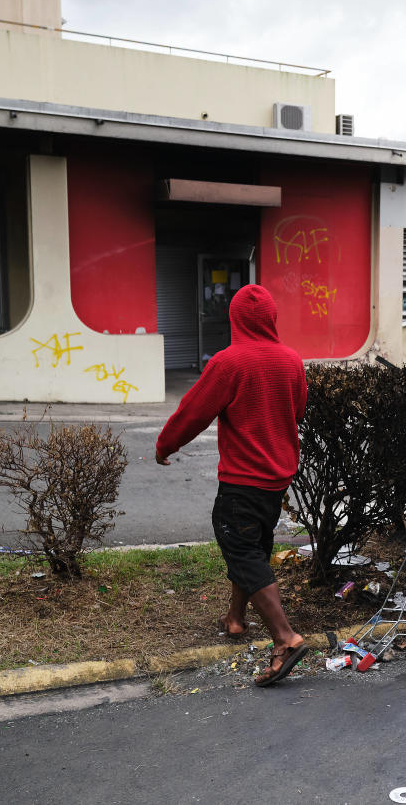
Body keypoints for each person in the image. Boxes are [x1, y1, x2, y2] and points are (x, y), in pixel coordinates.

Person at [156, 284, 310, 687]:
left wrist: (164, 445)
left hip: (243, 480)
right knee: (254, 548)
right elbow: (298, 411)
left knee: (241, 549)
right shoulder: (292, 360)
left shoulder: (229, 362)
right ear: (272, 318)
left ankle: (285, 637)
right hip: (277, 480)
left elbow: (194, 412)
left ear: (235, 319)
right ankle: (236, 619)